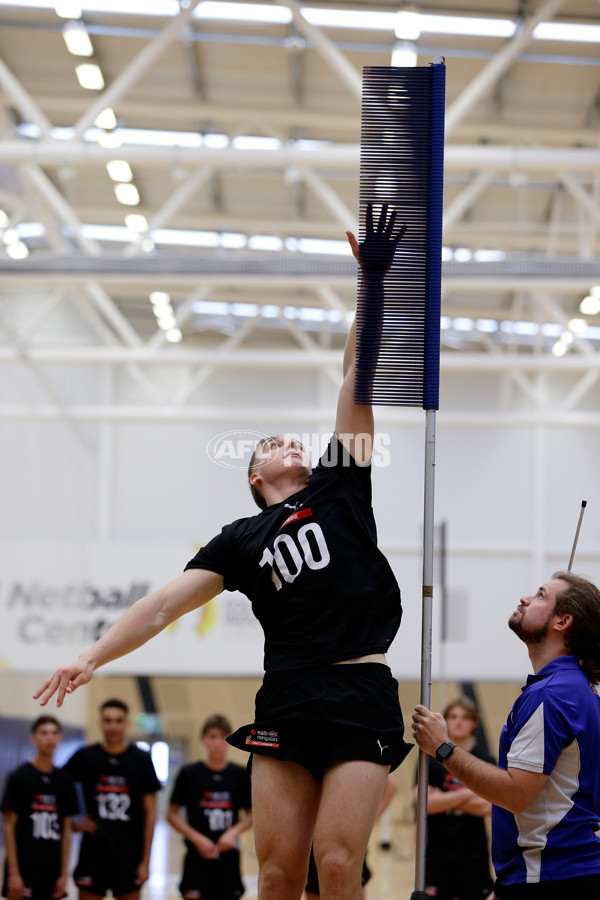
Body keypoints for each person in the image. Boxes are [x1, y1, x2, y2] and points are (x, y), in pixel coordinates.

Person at [34, 203, 413, 900]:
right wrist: (89, 655)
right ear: (255, 478)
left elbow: (357, 376)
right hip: (290, 692)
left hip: (360, 689)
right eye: (272, 444)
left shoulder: (340, 486)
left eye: (292, 438)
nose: (289, 440)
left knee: (335, 862)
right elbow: (159, 609)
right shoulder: (239, 540)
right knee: (274, 872)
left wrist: (374, 284)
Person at [412, 571, 600, 900]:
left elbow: (515, 795)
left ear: (562, 621)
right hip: (557, 872)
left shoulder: (552, 695)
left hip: (548, 876)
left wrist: (443, 747)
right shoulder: (580, 691)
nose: (525, 598)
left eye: (541, 595)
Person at [62, 698, 161, 900]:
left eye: (118, 720)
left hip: (129, 855)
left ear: (126, 723)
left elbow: (151, 814)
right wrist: (75, 823)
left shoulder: (141, 759)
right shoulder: (85, 756)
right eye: (107, 720)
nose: (113, 726)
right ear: (100, 722)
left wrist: (146, 861)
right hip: (92, 853)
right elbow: (57, 787)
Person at [413, 697, 493, 900]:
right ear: (445, 721)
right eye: (454, 716)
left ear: (474, 723)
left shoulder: (486, 760)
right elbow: (423, 803)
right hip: (437, 855)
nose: (459, 721)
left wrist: (443, 797)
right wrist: (472, 792)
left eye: (465, 717)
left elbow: (487, 807)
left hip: (474, 856)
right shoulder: (430, 760)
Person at [167, 713, 252, 900]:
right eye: (212, 736)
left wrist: (232, 833)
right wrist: (197, 839)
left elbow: (252, 814)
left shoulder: (240, 775)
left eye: (223, 736)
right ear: (204, 739)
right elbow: (171, 814)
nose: (217, 742)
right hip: (196, 857)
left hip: (228, 857)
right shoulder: (189, 773)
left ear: (230, 740)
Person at [1, 715, 78, 900]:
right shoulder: (19, 777)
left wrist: (63, 875)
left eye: (54, 733)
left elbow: (67, 830)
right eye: (44, 733)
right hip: (23, 868)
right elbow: (8, 827)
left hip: (52, 869)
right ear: (33, 738)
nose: (49, 738)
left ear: (60, 739)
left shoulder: (65, 781)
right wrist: (14, 874)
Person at [304, 774, 398, 899]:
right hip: (313, 839)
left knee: (350, 883)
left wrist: (372, 817)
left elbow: (392, 784)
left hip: (346, 838)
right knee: (314, 890)